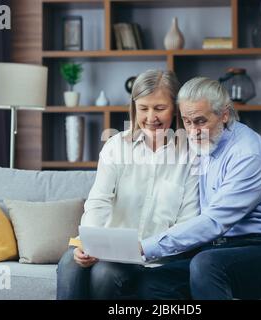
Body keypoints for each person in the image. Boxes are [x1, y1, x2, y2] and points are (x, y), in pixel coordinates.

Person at [138, 77, 261, 300]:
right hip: (217, 248)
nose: (193, 131)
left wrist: (145, 247)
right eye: (187, 121)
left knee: (206, 264)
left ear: (224, 114)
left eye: (200, 121)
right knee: (150, 281)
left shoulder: (248, 155)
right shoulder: (202, 145)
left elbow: (214, 221)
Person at [56, 70, 200, 300]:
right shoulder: (116, 146)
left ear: (175, 108)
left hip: (156, 259)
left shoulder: (191, 156)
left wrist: (145, 249)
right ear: (134, 108)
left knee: (104, 274)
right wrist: (89, 242)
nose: (151, 117)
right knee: (69, 264)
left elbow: (189, 222)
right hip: (107, 249)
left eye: (159, 108)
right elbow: (98, 200)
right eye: (143, 108)